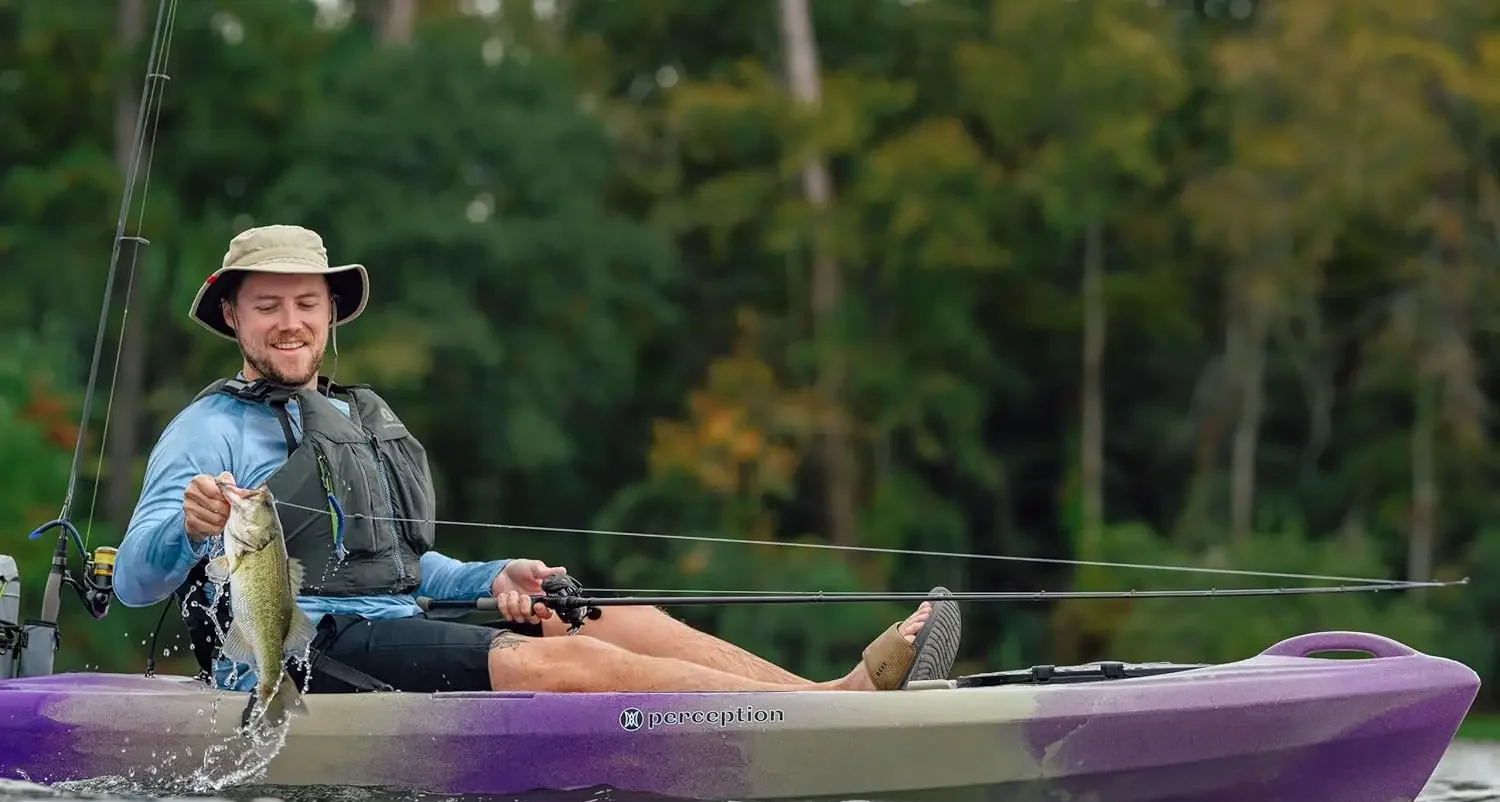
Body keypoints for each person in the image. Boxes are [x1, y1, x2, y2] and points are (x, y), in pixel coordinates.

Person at [113, 224, 962, 697]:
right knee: (565, 662)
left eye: (306, 303)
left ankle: (828, 697)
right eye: (267, 307)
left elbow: (406, 569)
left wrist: (494, 577)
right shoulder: (207, 430)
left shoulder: (352, 415)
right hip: (301, 653)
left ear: (332, 312)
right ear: (233, 317)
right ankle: (836, 714)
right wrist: (189, 529)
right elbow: (135, 584)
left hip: (393, 627)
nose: (289, 323)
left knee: (630, 624)